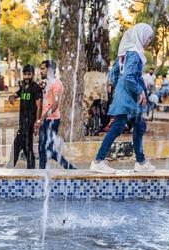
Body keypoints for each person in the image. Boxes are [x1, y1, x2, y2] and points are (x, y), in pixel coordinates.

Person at [90, 23, 156, 174]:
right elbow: (128, 76)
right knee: (118, 126)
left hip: (124, 95)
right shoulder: (135, 53)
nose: (148, 42)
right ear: (141, 35)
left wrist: (120, 89)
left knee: (139, 126)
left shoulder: (124, 53)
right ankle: (98, 161)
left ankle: (140, 162)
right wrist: (140, 91)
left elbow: (114, 75)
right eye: (148, 38)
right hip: (129, 97)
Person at [36, 60, 76, 169]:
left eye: (43, 68)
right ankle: (41, 173)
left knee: (48, 149)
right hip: (45, 119)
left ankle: (69, 168)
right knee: (41, 149)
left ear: (50, 70)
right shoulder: (46, 83)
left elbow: (55, 104)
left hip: (52, 120)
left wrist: (42, 118)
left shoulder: (56, 83)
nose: (41, 71)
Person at [7, 64, 42, 169]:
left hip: (29, 124)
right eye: (25, 74)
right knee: (26, 149)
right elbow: (15, 95)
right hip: (22, 124)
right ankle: (30, 172)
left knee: (19, 147)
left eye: (29, 74)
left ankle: (9, 170)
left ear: (33, 74)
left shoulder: (36, 88)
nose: (27, 77)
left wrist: (37, 123)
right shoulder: (23, 87)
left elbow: (39, 107)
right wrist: (11, 97)